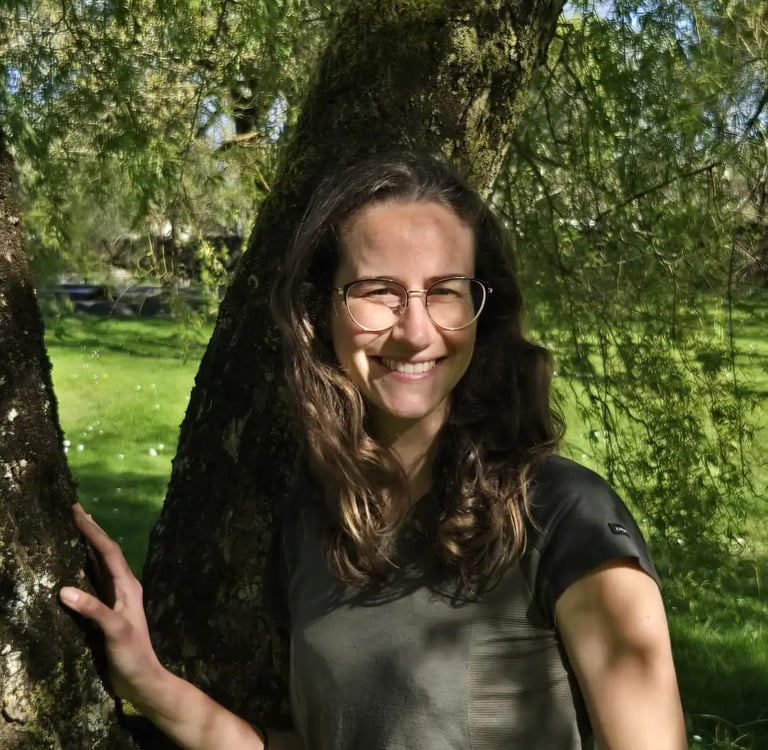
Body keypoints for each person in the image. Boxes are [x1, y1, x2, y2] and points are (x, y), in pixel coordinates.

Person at [60, 151, 688, 750]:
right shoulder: (314, 521)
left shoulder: (564, 517)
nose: (414, 331)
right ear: (321, 312)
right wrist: (151, 684)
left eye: (444, 290)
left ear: (481, 311)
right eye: (379, 290)